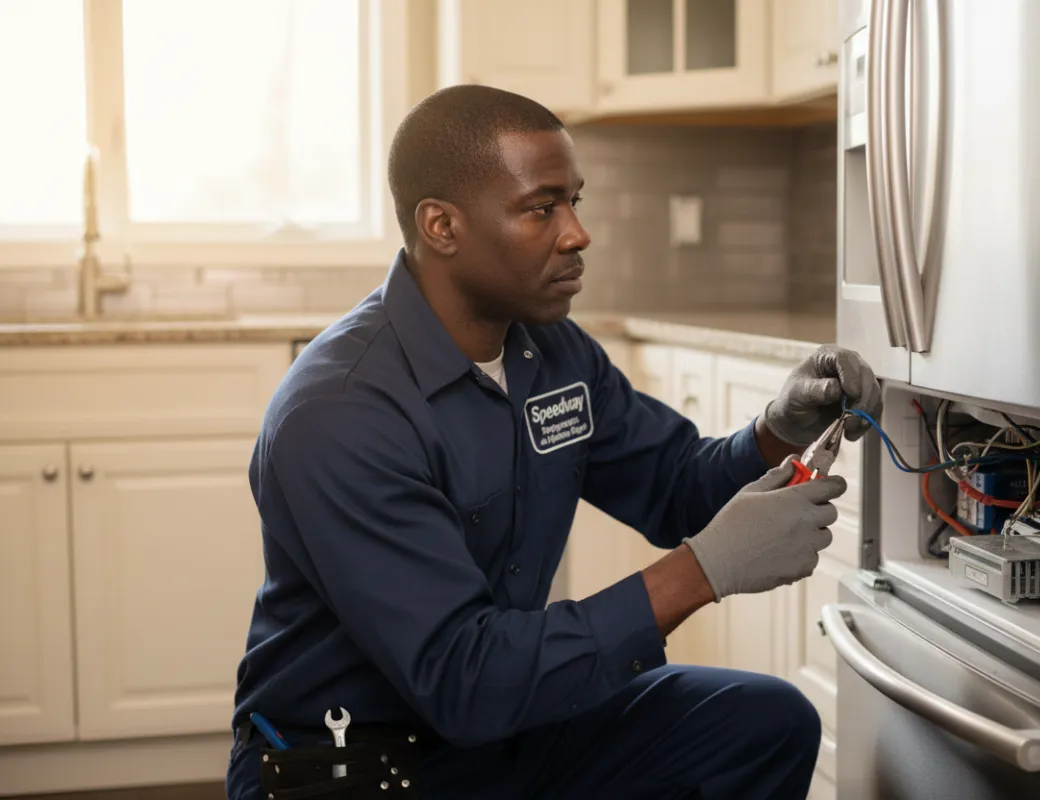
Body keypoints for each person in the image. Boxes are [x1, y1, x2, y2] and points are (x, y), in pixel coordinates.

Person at [225, 84, 883, 800]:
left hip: (503, 723)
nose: (576, 233)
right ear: (442, 226)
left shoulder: (552, 353)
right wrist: (701, 572)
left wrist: (774, 431)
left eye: (575, 201)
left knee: (765, 722)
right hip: (353, 762)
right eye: (542, 208)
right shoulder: (340, 413)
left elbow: (673, 486)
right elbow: (463, 677)